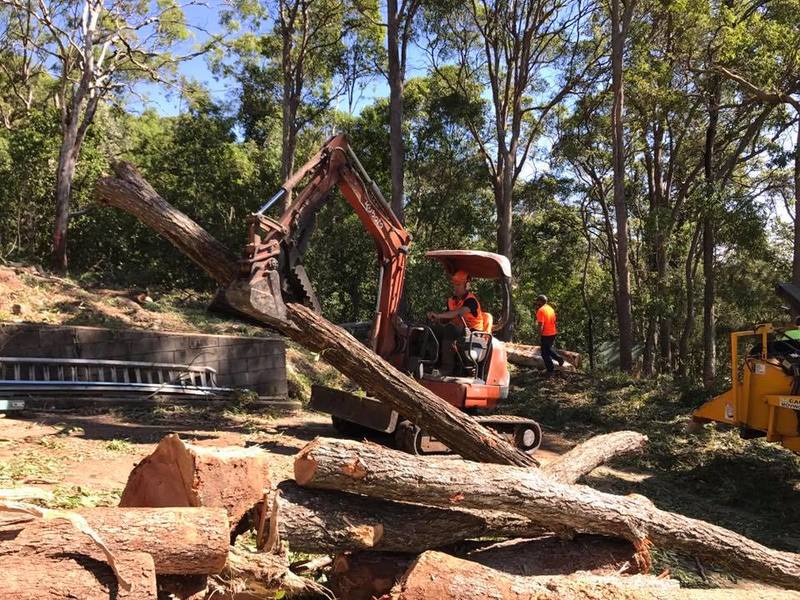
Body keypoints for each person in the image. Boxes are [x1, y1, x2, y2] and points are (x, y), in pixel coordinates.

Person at [426, 270, 485, 375]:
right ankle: (429, 362)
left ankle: (447, 368)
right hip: (458, 330)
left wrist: (439, 315)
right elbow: (448, 318)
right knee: (432, 329)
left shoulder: (471, 300)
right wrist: (437, 320)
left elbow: (458, 313)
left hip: (472, 332)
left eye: (458, 285)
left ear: (467, 285)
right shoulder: (452, 300)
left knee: (450, 329)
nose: (455, 288)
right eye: (454, 285)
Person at [535, 294, 564, 375]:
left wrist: (539, 336)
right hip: (553, 333)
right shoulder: (550, 309)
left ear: (540, 301)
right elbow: (554, 321)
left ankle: (550, 370)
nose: (537, 302)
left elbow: (541, 325)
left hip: (546, 334)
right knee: (548, 350)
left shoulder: (541, 311)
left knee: (544, 353)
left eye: (537, 301)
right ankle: (559, 359)